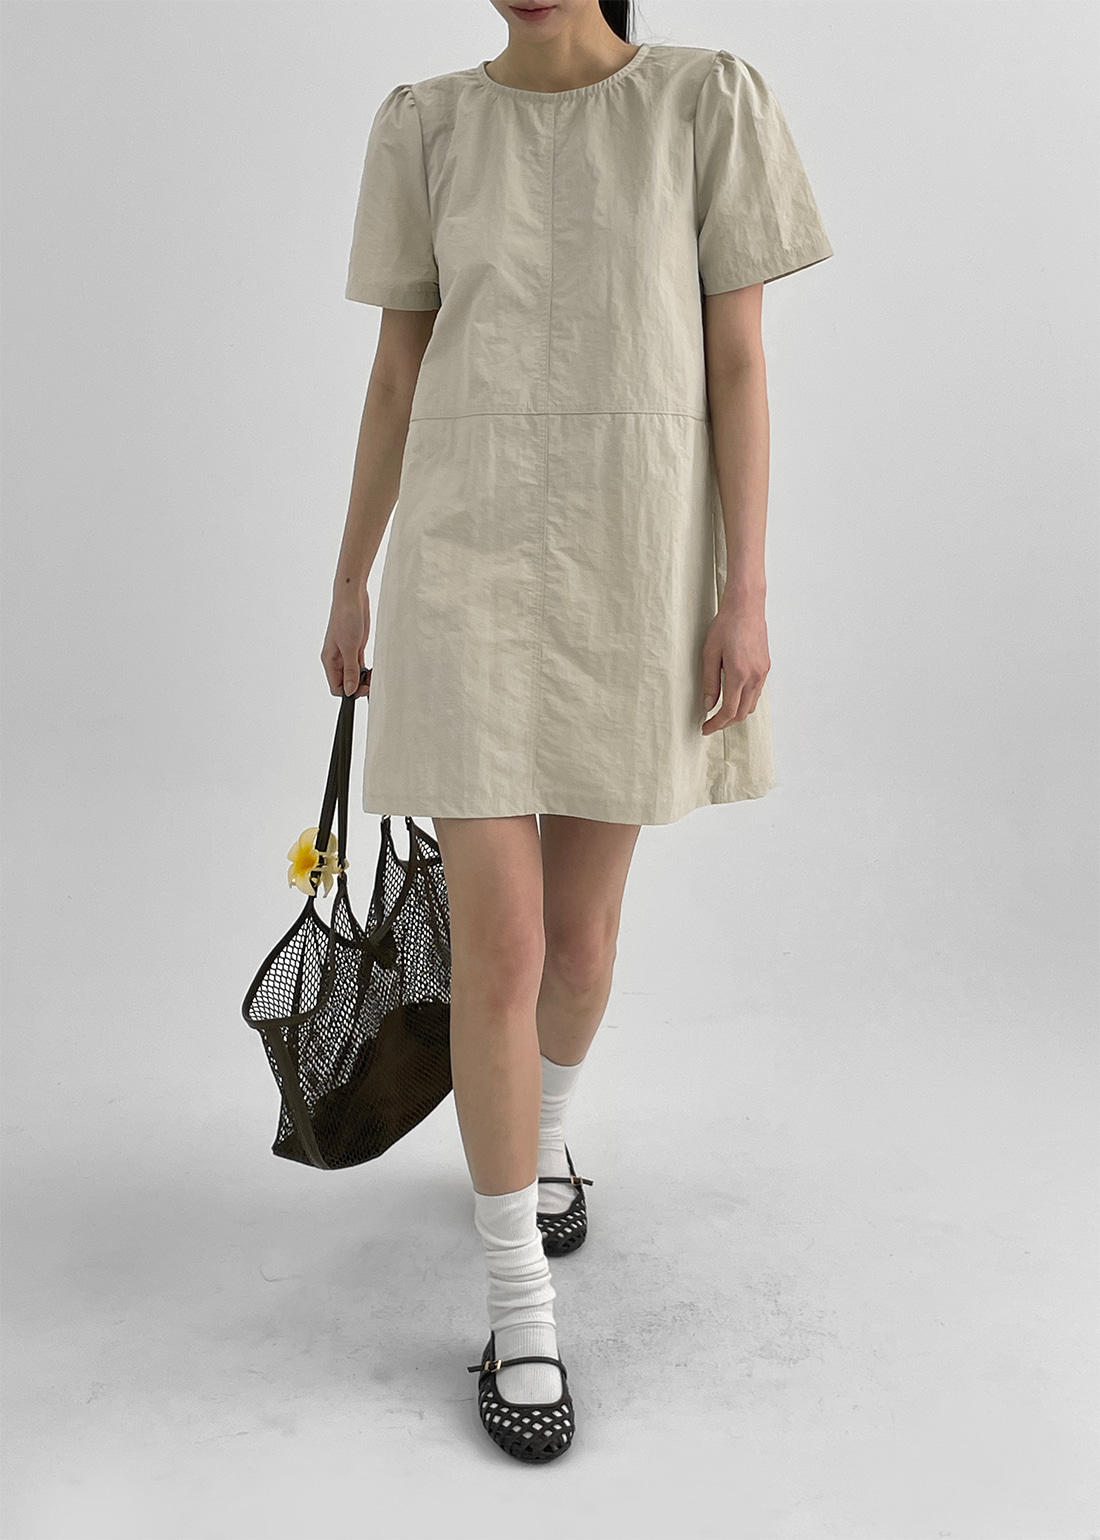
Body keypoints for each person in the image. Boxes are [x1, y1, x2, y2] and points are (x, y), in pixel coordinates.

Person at [321, 0, 834, 1463]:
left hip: (635, 558)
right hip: (464, 561)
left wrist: (744, 590)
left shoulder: (706, 101)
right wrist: (351, 576)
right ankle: (516, 1305)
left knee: (584, 947)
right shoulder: (426, 122)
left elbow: (739, 364)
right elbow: (397, 372)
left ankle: (542, 1138)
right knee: (502, 948)